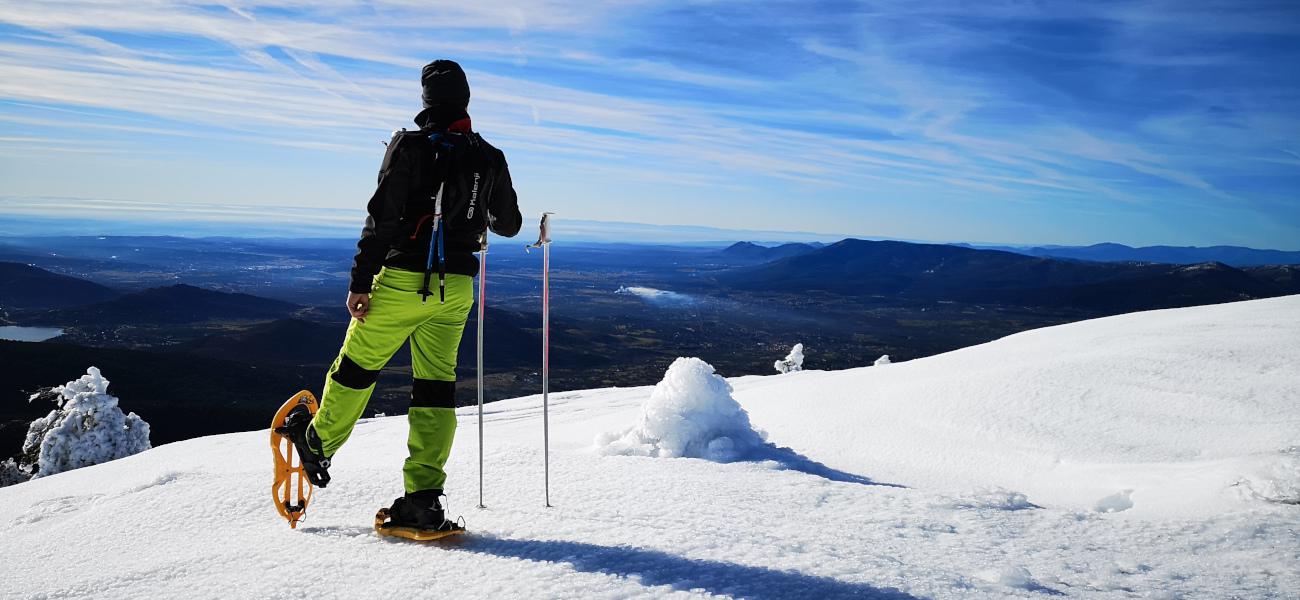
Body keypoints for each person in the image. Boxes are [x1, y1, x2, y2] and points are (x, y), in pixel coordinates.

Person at [279, 59, 522, 533]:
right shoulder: (489, 155)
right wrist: (474, 202)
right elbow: (508, 224)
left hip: (401, 282)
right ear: (466, 100)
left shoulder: (409, 146)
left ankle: (317, 442)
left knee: (357, 368)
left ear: (426, 101)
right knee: (436, 388)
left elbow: (382, 218)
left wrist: (360, 281)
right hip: (456, 291)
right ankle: (424, 500)